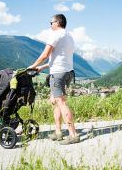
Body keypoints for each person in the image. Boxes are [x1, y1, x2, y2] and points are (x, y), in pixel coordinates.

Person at [28, 14, 79, 145]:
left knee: (61, 103)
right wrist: (41, 68)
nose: (50, 25)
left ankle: (73, 134)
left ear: (57, 22)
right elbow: (59, 58)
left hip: (58, 74)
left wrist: (32, 66)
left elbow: (45, 54)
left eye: (51, 22)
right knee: (56, 102)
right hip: (67, 72)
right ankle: (58, 132)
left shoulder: (55, 34)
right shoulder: (69, 36)